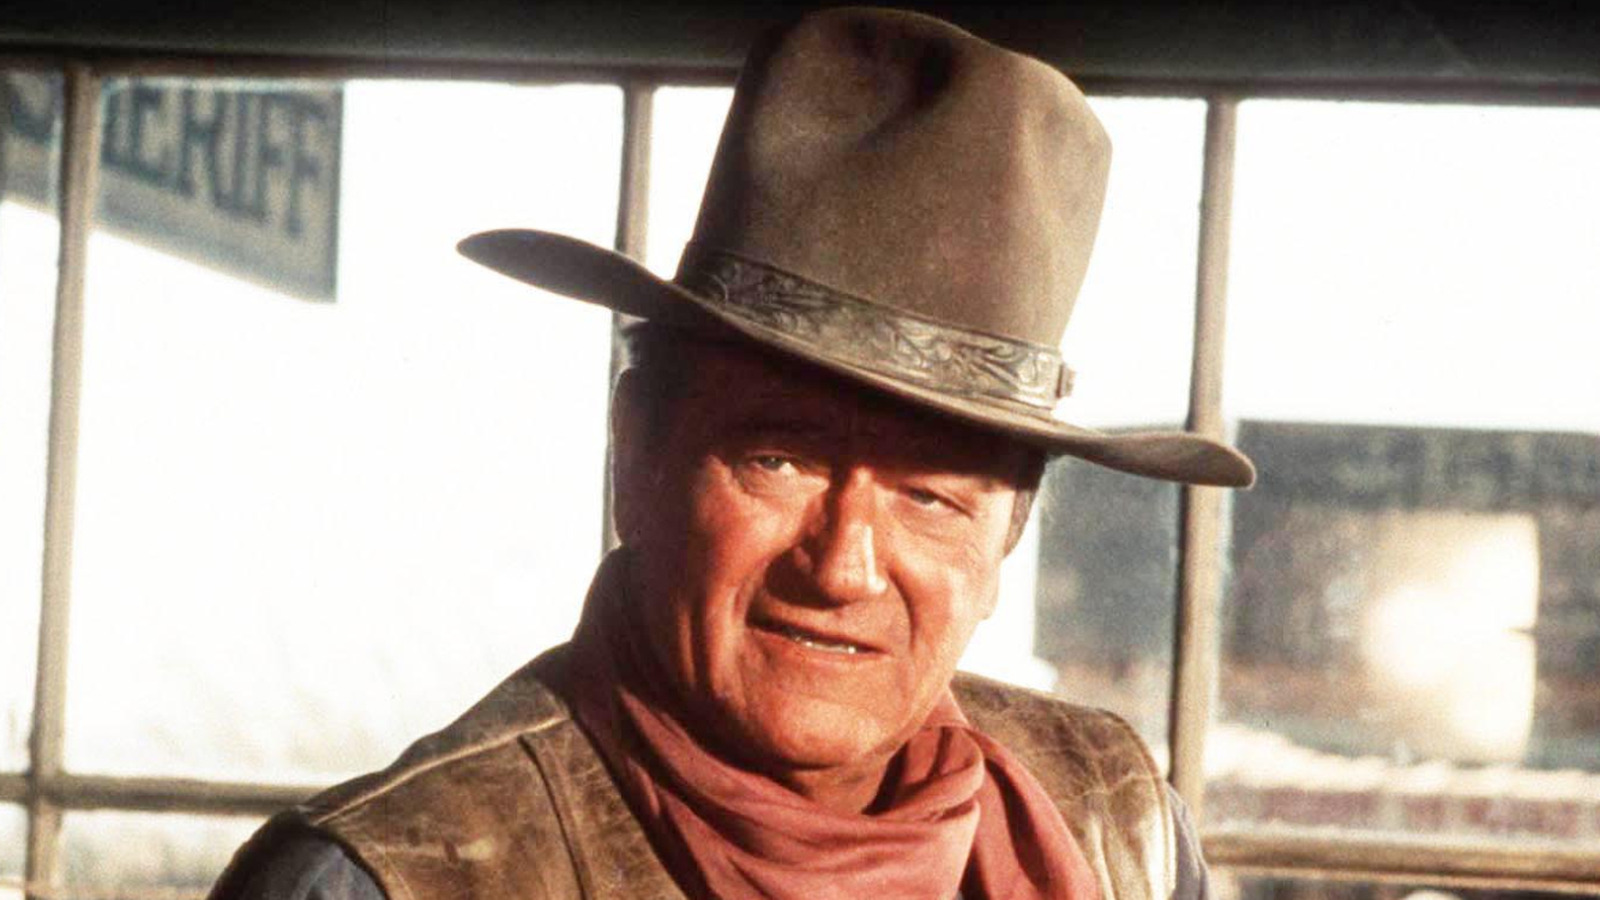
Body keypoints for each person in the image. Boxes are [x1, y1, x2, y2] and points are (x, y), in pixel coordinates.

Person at [209, 8, 1254, 900]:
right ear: (636, 460)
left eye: (931, 496)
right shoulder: (388, 879)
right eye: (778, 460)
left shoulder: (1123, 829)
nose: (842, 568)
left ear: (1005, 543)